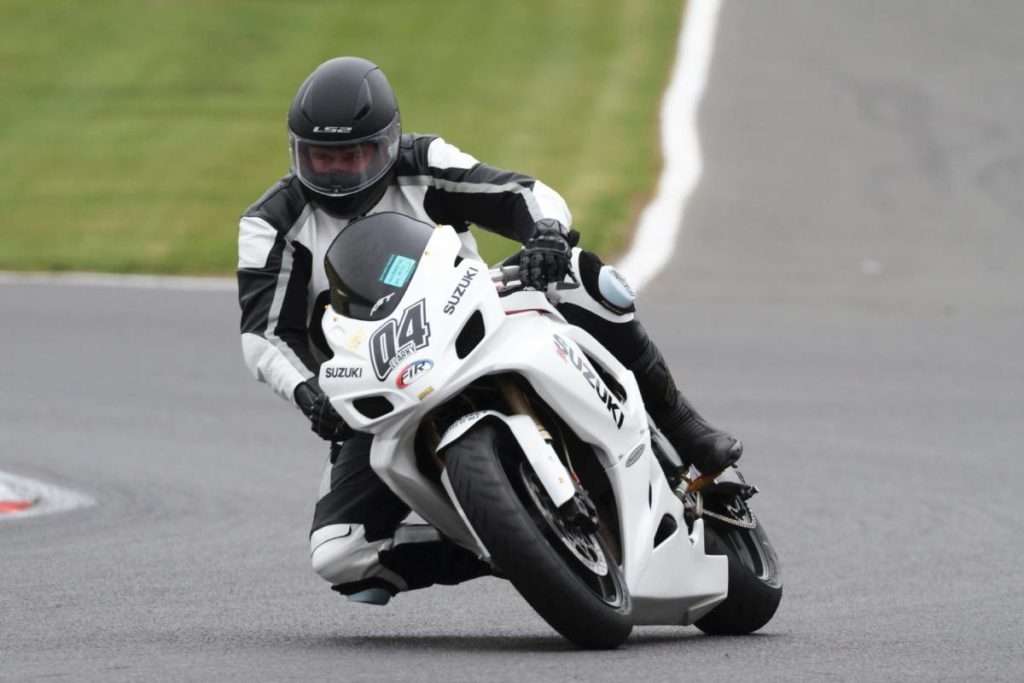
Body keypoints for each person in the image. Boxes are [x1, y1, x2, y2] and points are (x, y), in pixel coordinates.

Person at [236, 57, 742, 604]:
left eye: (351, 155)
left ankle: (683, 423)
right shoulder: (270, 224)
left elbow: (520, 192)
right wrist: (310, 394)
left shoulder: (423, 161)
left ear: (385, 144)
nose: (336, 171)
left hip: (476, 314)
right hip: (382, 381)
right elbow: (264, 335)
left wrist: (546, 233)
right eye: (320, 158)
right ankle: (506, 545)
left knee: (587, 276)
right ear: (296, 153)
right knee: (340, 555)